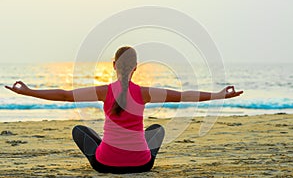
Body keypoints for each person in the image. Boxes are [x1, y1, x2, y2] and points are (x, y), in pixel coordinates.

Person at [5, 46, 243, 174]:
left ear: (113, 66)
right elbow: (185, 97)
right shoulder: (146, 92)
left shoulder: (103, 91)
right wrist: (220, 95)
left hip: (105, 164)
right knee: (157, 129)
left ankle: (109, 154)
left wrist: (28, 91)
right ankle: (131, 154)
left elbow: (66, 95)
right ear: (136, 68)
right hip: (141, 164)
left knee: (80, 130)